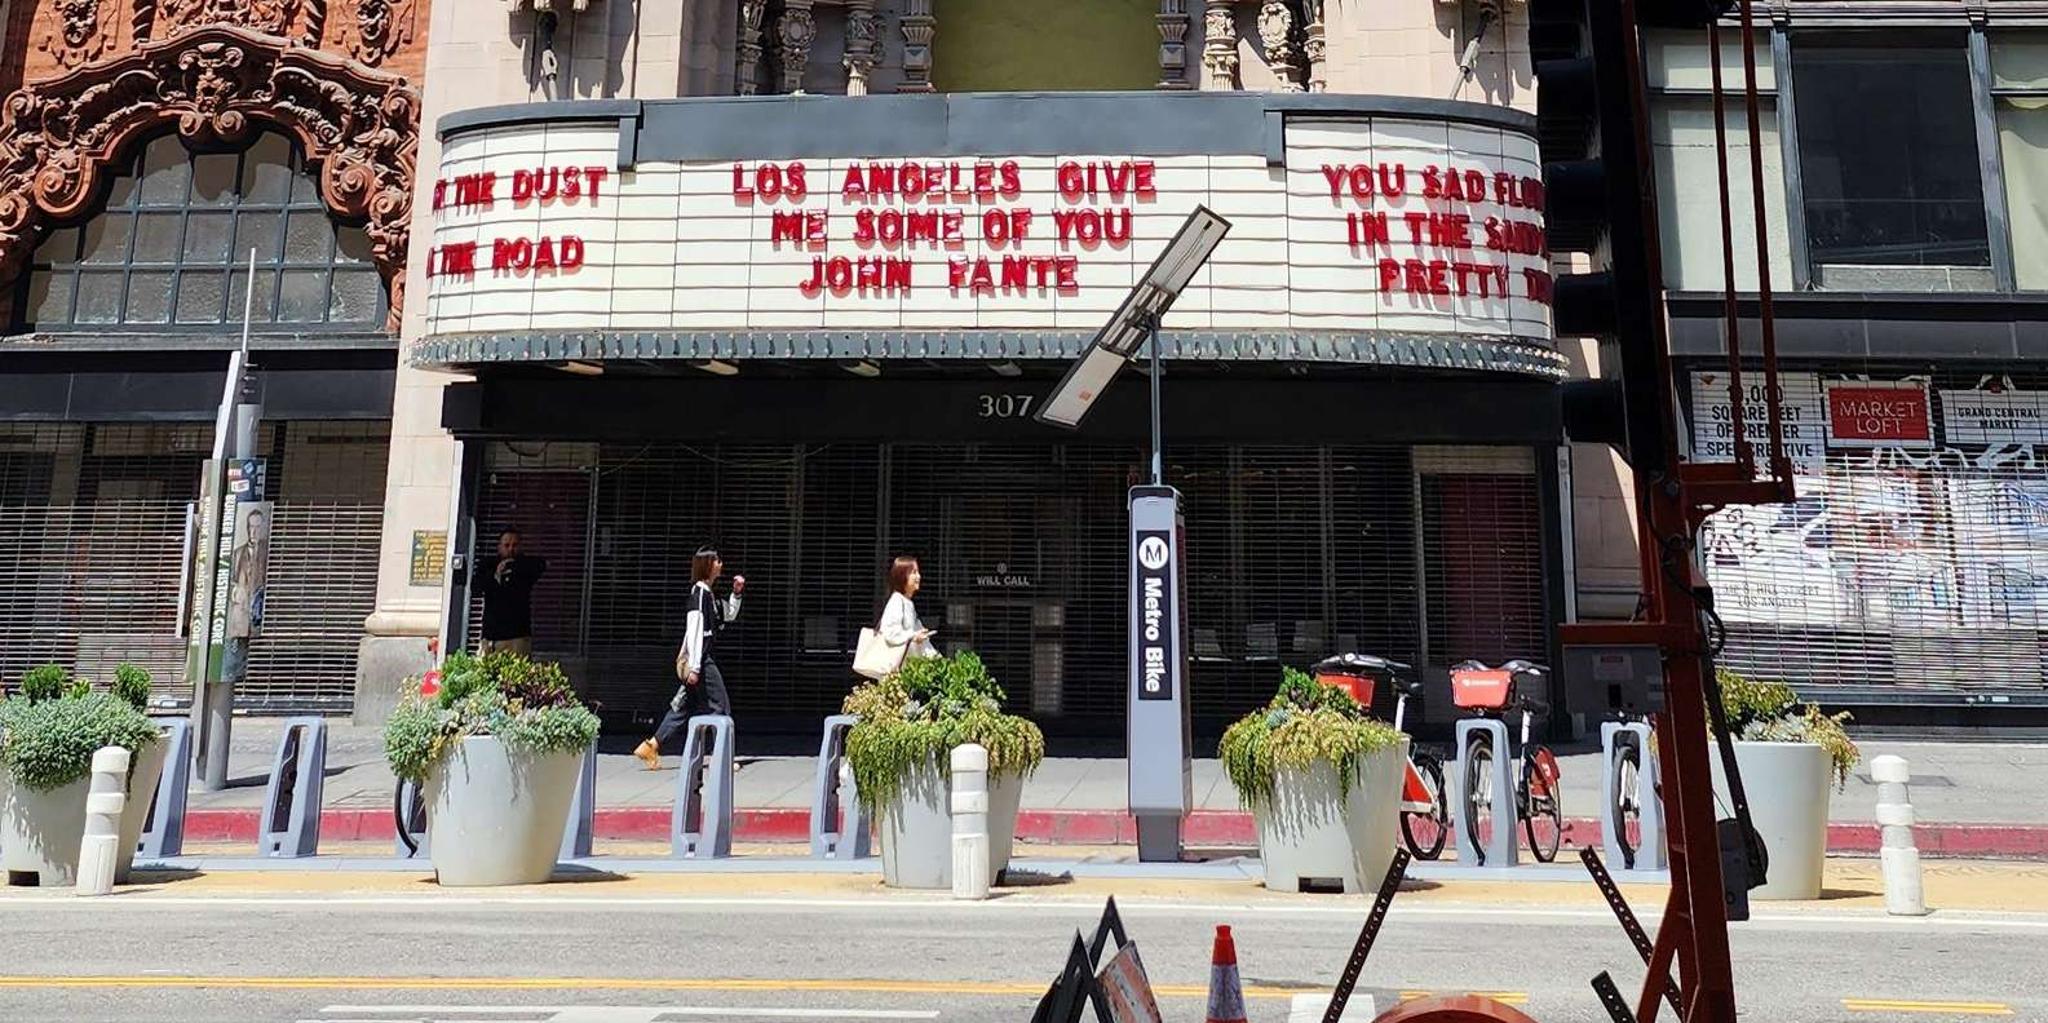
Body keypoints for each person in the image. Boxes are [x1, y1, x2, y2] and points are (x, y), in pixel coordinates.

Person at [636, 546, 745, 769]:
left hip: (701, 660)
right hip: (703, 660)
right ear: (707, 566)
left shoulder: (709, 595)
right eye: (716, 561)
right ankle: (721, 755)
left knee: (683, 706)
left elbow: (729, 614)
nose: (720, 564)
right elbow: (694, 632)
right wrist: (695, 667)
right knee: (720, 705)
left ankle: (651, 746)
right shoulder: (699, 595)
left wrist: (736, 593)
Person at [472, 530, 547, 657]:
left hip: (517, 635)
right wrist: (496, 574)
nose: (511, 549)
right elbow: (476, 588)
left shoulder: (526, 566)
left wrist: (515, 568)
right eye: (506, 545)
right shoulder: (488, 566)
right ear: (499, 547)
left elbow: (541, 565)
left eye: (515, 545)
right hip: (492, 635)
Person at [879, 555, 937, 662]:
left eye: (918, 572)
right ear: (902, 576)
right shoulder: (897, 601)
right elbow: (890, 633)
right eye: (914, 572)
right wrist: (913, 636)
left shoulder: (907, 603)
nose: (918, 577)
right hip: (898, 668)